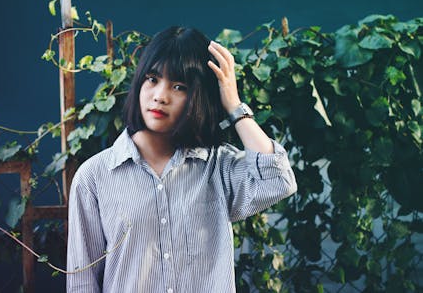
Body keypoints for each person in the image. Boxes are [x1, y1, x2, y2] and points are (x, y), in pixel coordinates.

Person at [66, 26, 297, 293]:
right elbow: (82, 282)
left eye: (179, 86)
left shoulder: (218, 167)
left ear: (198, 96)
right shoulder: (94, 176)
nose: (160, 96)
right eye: (152, 79)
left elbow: (278, 181)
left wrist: (234, 105)